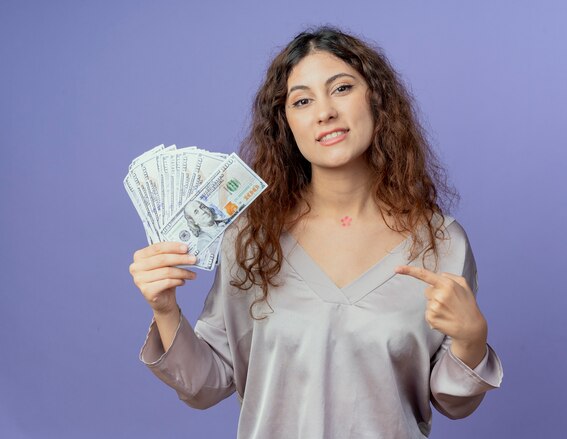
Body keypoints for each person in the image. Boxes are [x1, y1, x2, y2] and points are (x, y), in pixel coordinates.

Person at [129, 26, 503, 438]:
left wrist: (472, 338)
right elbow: (206, 383)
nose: (324, 111)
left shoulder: (441, 242)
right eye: (302, 100)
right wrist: (165, 310)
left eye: (342, 88)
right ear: (285, 122)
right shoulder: (253, 239)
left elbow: (453, 401)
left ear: (377, 100)